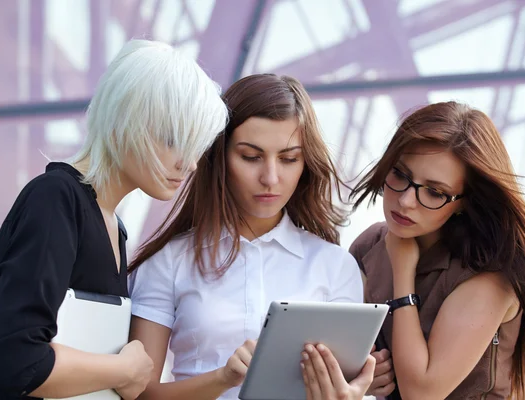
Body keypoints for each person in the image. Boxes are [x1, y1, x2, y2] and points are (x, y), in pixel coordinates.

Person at [0, 39, 228, 400]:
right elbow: (14, 359)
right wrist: (127, 369)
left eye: (195, 147)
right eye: (175, 139)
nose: (188, 164)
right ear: (129, 120)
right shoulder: (56, 199)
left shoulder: (112, 225)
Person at [127, 73, 379, 400]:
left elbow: (343, 387)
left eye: (289, 158)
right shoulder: (168, 261)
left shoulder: (335, 266)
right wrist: (222, 378)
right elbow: (138, 395)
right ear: (219, 156)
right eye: (251, 156)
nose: (270, 177)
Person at [348, 101, 525, 399]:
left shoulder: (490, 274)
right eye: (400, 175)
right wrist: (362, 377)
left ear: (464, 202)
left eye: (434, 192)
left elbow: (421, 392)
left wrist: (403, 271)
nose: (405, 201)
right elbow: (342, 354)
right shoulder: (370, 247)